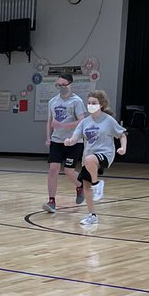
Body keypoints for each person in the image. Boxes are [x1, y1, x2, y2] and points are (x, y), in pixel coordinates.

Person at [64, 89, 127, 226]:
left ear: (101, 104)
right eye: (89, 102)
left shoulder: (108, 120)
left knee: (89, 160)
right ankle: (92, 215)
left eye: (94, 102)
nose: (91, 105)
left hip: (105, 154)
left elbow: (122, 134)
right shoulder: (85, 122)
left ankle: (97, 184)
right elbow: (76, 137)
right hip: (89, 157)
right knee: (86, 186)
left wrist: (123, 148)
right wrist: (70, 141)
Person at [43, 73, 85, 213]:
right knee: (53, 169)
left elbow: (81, 121)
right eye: (58, 85)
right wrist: (48, 137)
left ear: (70, 85)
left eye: (63, 85)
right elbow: (50, 122)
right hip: (57, 141)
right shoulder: (52, 102)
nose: (60, 87)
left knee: (68, 171)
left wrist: (63, 126)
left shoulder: (76, 101)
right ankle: (51, 201)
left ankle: (80, 186)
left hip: (73, 141)